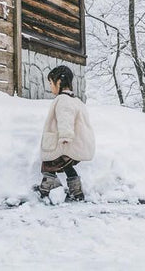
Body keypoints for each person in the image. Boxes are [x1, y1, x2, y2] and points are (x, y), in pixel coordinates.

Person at [35, 65, 95, 201]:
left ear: (59, 82)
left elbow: (65, 118)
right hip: (74, 145)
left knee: (48, 164)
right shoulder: (76, 100)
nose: (50, 87)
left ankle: (46, 189)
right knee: (67, 167)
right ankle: (77, 191)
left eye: (51, 83)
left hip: (65, 143)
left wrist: (65, 136)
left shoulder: (63, 100)